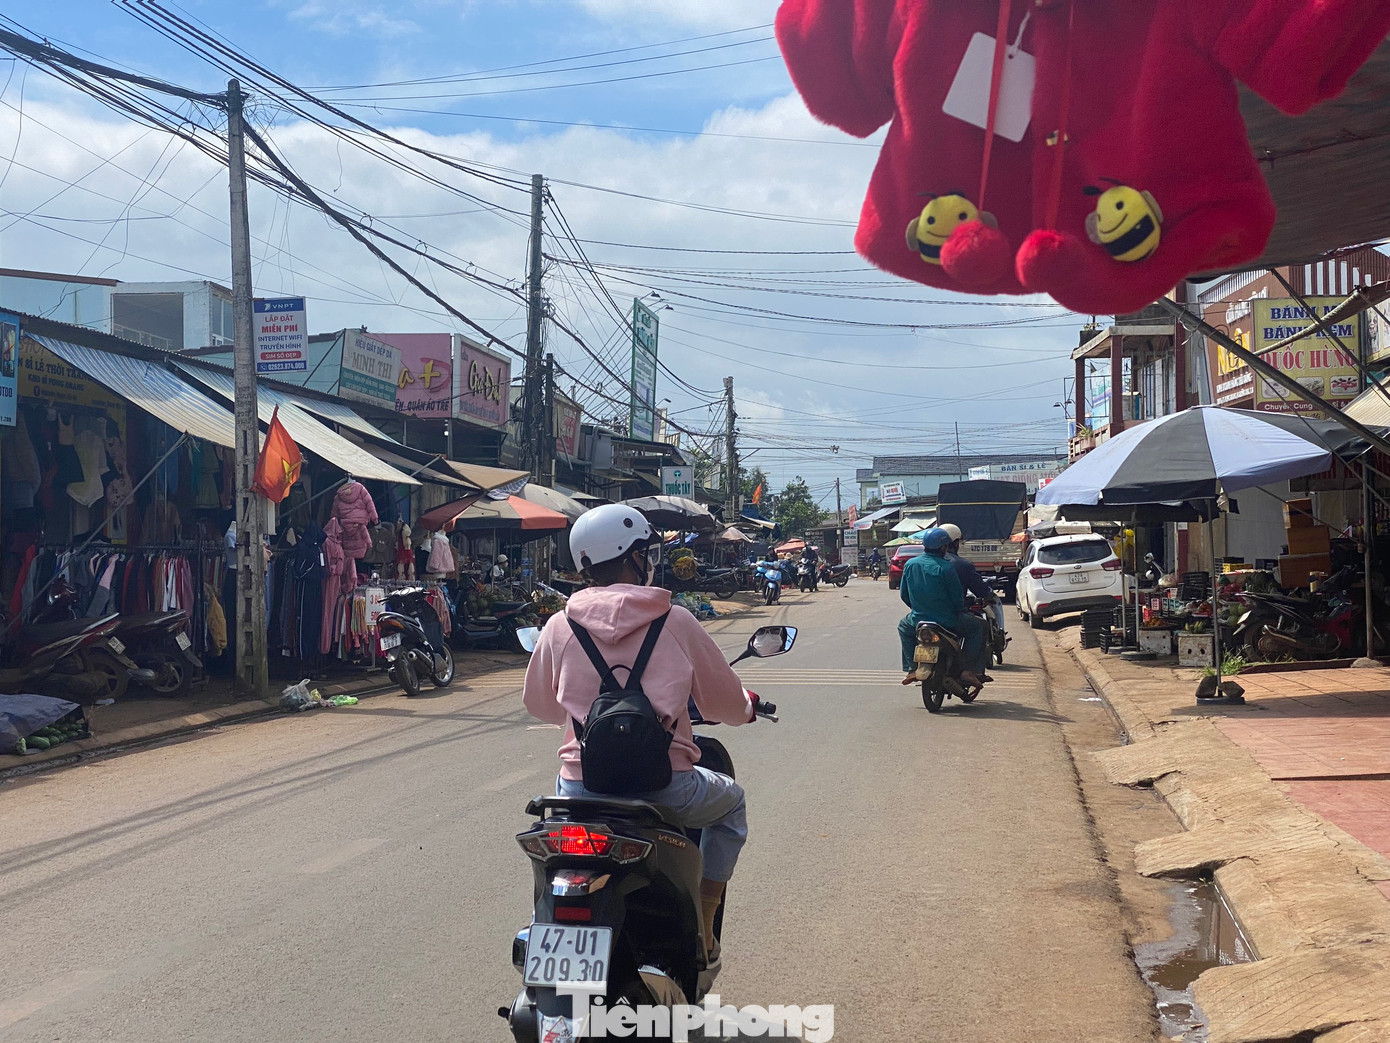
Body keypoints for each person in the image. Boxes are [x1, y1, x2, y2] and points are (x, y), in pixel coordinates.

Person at [522, 504, 759, 965]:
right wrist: (746, 709)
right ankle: (705, 927)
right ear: (634, 557)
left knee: (555, 846)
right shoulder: (676, 621)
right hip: (666, 788)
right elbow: (723, 705)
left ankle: (550, 935)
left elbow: (540, 705)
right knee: (733, 805)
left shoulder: (559, 625)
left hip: (580, 788)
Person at [897, 527, 987, 688]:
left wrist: (919, 608)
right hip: (948, 620)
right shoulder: (946, 567)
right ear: (945, 547)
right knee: (978, 627)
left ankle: (911, 668)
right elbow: (956, 598)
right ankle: (969, 670)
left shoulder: (910, 564)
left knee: (903, 627)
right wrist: (960, 610)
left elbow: (904, 595)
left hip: (918, 619)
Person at [940, 523, 1006, 637]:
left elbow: (906, 596)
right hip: (953, 616)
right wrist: (988, 595)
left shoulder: (917, 564)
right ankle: (972, 655)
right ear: (955, 543)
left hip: (923, 617)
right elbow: (979, 591)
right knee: (980, 627)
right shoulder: (961, 565)